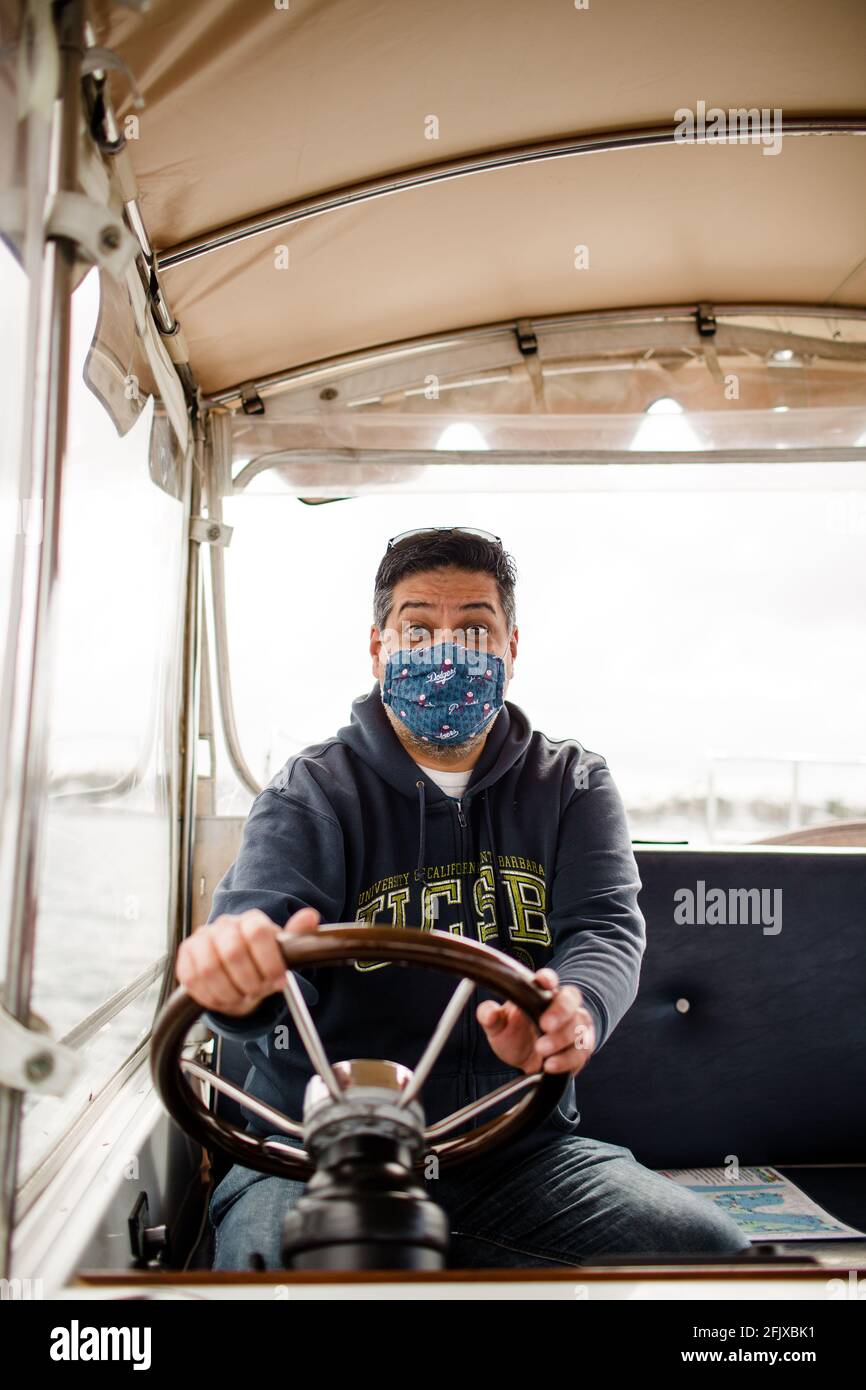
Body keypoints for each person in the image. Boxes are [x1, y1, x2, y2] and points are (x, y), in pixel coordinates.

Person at [175, 526, 750, 1269]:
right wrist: (235, 977)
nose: (446, 650)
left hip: (516, 1151)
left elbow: (604, 928)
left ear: (512, 648)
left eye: (475, 628)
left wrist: (570, 1012)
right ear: (379, 648)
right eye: (418, 627)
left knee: (714, 1259)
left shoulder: (572, 783)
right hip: (312, 1157)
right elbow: (256, 931)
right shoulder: (310, 792)